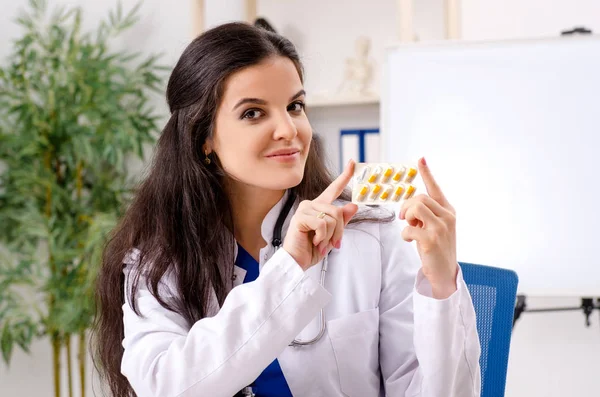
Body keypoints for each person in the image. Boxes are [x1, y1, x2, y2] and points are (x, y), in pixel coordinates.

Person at [92, 22, 481, 397]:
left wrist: (441, 283)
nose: (288, 129)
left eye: (294, 106)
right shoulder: (160, 259)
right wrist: (290, 268)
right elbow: (166, 388)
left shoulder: (371, 235)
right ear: (203, 137)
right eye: (253, 113)